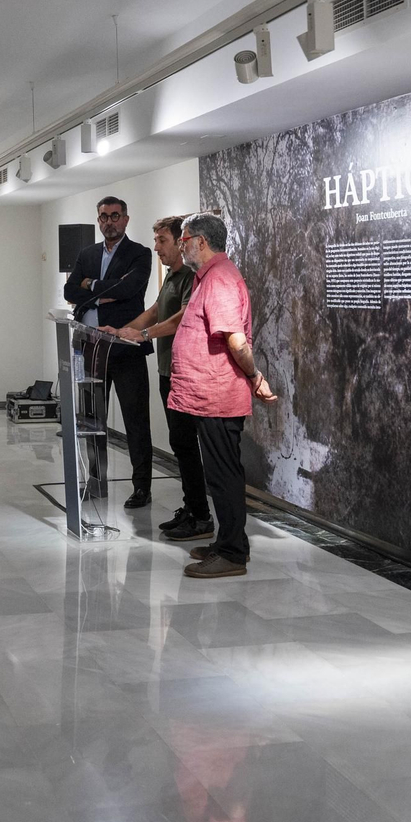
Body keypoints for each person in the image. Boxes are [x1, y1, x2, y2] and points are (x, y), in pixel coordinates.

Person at [167, 212, 277, 578]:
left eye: (183, 240)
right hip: (205, 395)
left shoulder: (221, 279)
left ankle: (231, 553)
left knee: (224, 475)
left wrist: (255, 374)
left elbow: (236, 340)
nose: (181, 246)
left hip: (217, 396)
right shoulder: (208, 277)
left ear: (200, 241)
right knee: (218, 474)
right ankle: (229, 543)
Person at [105, 215, 212, 540]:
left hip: (186, 375)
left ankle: (201, 516)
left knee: (187, 446)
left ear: (182, 243)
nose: (156, 248)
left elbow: (181, 319)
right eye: (155, 241)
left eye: (162, 241)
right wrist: (124, 330)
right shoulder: (171, 276)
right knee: (180, 445)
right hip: (169, 372)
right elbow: (155, 310)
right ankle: (191, 508)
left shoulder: (191, 279)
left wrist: (145, 335)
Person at [62, 195, 154, 507]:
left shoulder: (139, 254)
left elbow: (130, 289)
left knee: (136, 422)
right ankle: (95, 482)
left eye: (115, 216)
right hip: (90, 348)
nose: (109, 222)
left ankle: (142, 487)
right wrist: (103, 291)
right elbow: (68, 290)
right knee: (92, 421)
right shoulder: (87, 253)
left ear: (126, 219)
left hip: (125, 349)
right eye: (103, 217)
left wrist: (90, 288)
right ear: (98, 220)